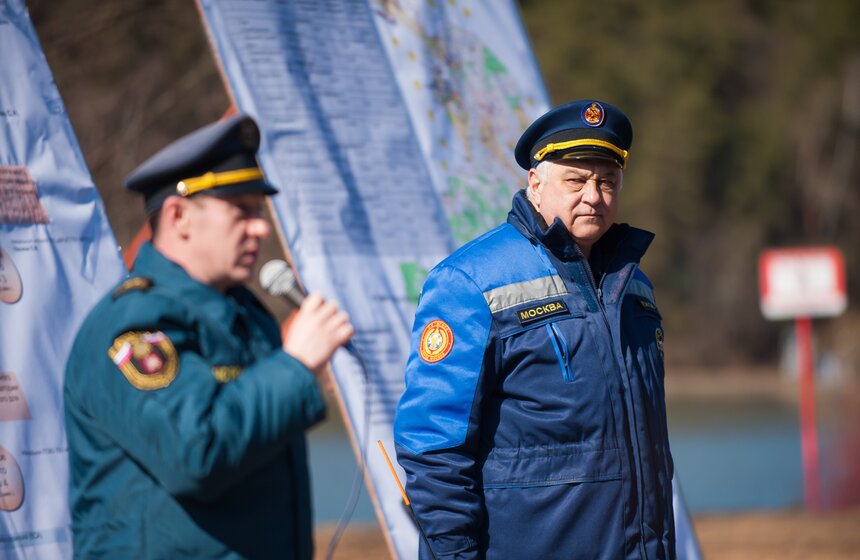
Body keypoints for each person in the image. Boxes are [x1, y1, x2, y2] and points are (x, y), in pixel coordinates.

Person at [394, 100, 675, 559]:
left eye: (607, 181)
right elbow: (433, 450)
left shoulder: (634, 287)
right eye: (576, 180)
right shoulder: (469, 281)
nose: (594, 195)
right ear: (536, 184)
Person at [64, 114, 354, 559]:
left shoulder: (244, 314)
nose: (259, 228)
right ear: (179, 216)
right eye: (241, 210)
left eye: (259, 213)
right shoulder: (133, 326)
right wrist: (294, 367)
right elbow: (195, 452)